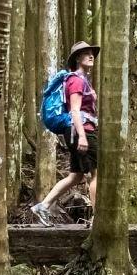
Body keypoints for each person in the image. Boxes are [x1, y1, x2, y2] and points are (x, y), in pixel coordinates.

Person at [31, 41, 99, 224]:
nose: (91, 55)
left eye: (92, 52)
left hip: (77, 131)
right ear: (77, 58)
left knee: (76, 175)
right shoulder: (76, 80)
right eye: (86, 53)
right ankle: (97, 219)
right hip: (82, 130)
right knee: (96, 173)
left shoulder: (82, 79)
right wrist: (83, 136)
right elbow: (75, 111)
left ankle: (43, 206)